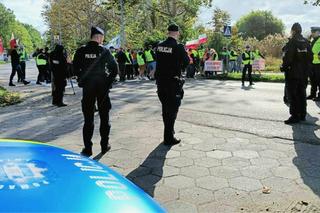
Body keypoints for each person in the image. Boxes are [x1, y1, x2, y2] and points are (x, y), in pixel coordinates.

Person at [73, 26, 118, 157]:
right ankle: (104, 145)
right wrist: (107, 83)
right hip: (102, 88)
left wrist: (82, 80)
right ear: (98, 37)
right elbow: (114, 69)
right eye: (102, 38)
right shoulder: (103, 51)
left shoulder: (81, 51)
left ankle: (88, 148)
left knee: (88, 119)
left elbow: (75, 68)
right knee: (104, 117)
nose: (103, 40)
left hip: (88, 88)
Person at [155, 24, 189, 146]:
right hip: (173, 83)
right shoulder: (178, 46)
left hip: (160, 82)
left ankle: (169, 131)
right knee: (173, 109)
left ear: (168, 32)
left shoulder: (159, 45)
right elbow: (186, 62)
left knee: (165, 108)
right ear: (177, 33)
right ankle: (168, 137)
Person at [281, 23, 312, 124]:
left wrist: (283, 67)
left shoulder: (292, 42)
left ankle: (295, 116)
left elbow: (288, 58)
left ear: (293, 31)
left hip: (293, 73)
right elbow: (310, 58)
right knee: (302, 93)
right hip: (304, 73)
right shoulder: (307, 42)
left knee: (292, 95)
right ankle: (302, 114)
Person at [308, 27, 320, 101]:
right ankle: (312, 94)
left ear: (318, 32)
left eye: (313, 32)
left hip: (319, 63)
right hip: (312, 63)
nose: (312, 33)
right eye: (312, 32)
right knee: (313, 80)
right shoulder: (312, 40)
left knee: (319, 80)